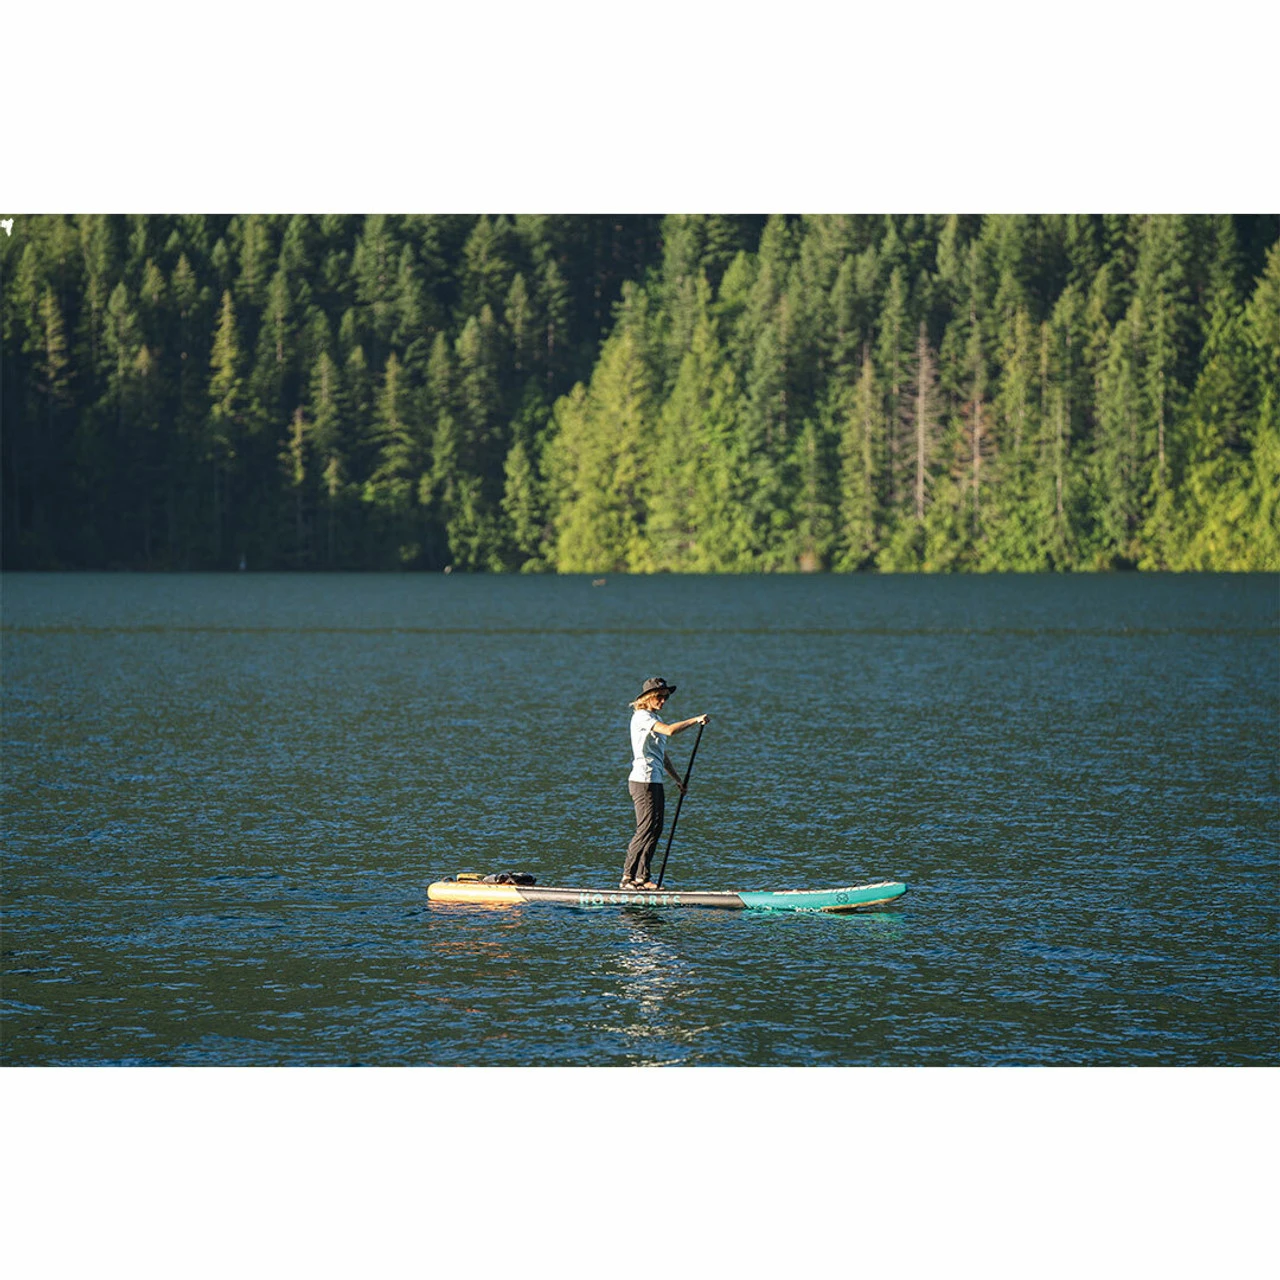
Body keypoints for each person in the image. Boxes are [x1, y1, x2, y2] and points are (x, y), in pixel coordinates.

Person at [621, 677, 710, 890]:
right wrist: (695, 720)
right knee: (645, 829)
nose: (663, 701)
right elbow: (670, 730)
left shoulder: (654, 717)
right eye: (659, 697)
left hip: (655, 780)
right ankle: (627, 878)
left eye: (666, 698)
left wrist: (678, 780)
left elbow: (662, 755)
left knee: (656, 829)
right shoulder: (641, 717)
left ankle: (642, 878)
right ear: (647, 698)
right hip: (642, 781)